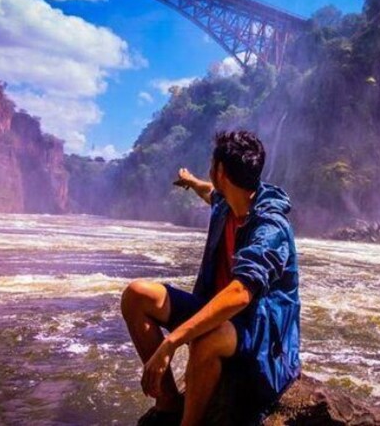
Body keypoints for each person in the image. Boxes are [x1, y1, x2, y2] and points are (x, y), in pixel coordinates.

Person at [120, 130, 301, 426]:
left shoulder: (270, 226)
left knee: (207, 339)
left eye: (211, 165)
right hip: (221, 313)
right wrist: (191, 182)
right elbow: (211, 193)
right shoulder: (228, 200)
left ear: (220, 171)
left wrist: (171, 343)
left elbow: (242, 293)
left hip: (259, 330)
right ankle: (168, 402)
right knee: (137, 294)